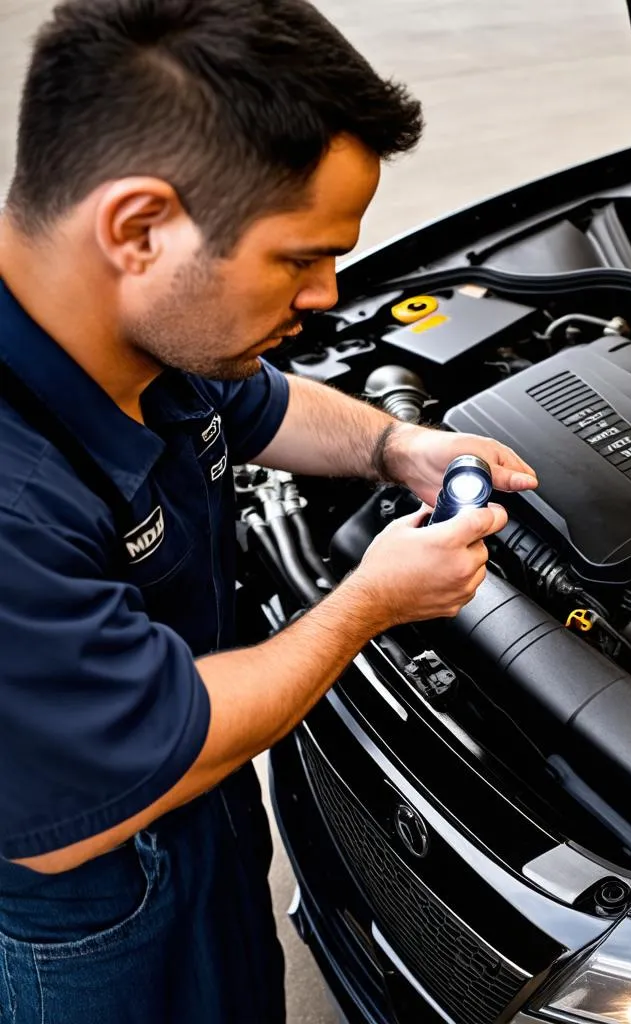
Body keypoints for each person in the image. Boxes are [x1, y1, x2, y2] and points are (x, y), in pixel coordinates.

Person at [0, 1, 538, 1020]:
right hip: (94, 892)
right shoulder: (11, 500)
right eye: (300, 258)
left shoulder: (141, 323)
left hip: (201, 801)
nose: (330, 294)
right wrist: (366, 604)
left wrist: (398, 445)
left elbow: (259, 405)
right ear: (138, 227)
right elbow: (72, 819)